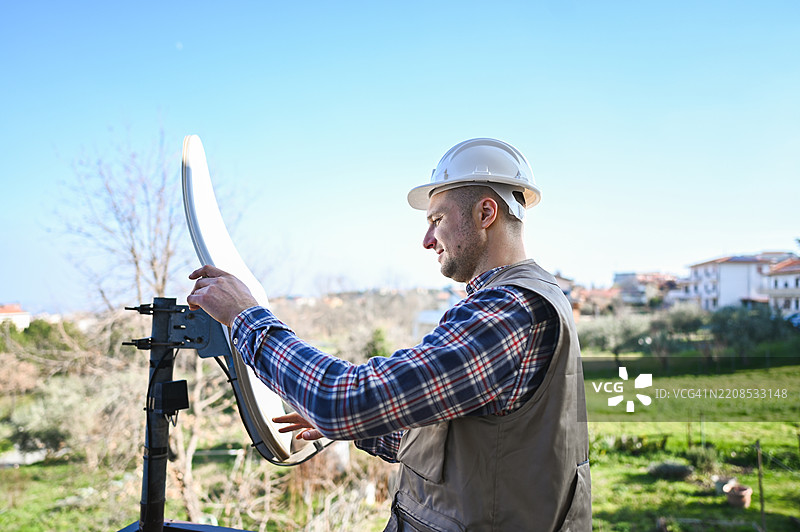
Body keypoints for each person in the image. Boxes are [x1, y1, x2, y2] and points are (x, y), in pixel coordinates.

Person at [187, 138, 591, 531]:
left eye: (437, 220)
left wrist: (245, 316)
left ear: (486, 213)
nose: (427, 240)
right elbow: (469, 452)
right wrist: (357, 425)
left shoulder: (508, 311)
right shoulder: (530, 297)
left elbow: (338, 399)